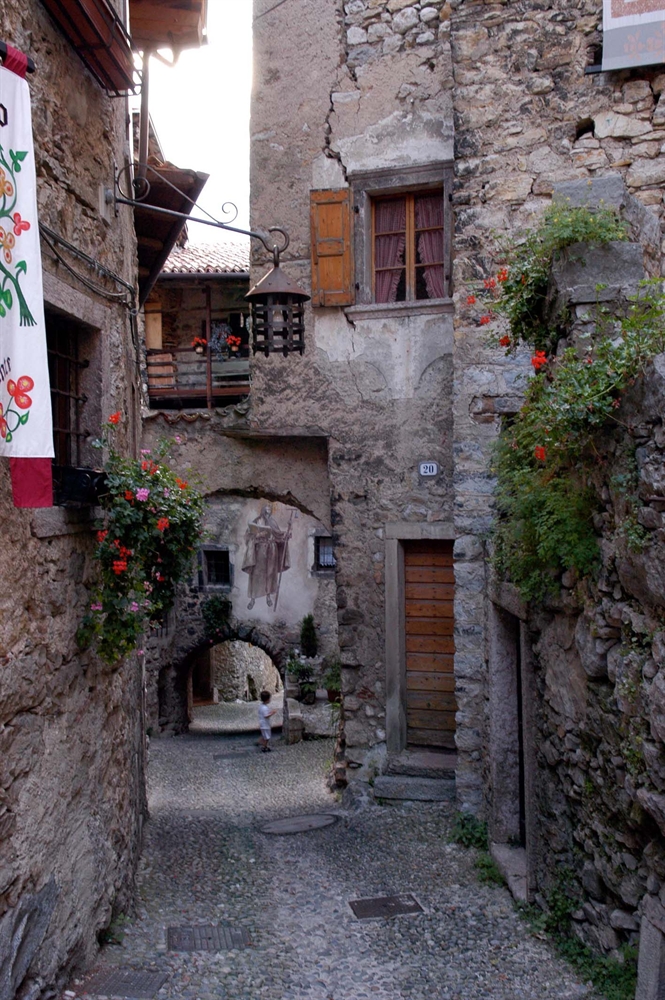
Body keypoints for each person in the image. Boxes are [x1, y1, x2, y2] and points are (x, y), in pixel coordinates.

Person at [242, 505, 291, 611]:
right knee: (256, 575)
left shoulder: (273, 522)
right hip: (259, 552)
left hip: (272, 551)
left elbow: (279, 536)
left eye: (269, 511)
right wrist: (258, 535)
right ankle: (252, 599)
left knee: (270, 574)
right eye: (266, 511)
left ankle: (268, 597)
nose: (268, 514)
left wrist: (286, 535)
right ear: (263, 511)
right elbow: (248, 537)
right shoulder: (257, 521)